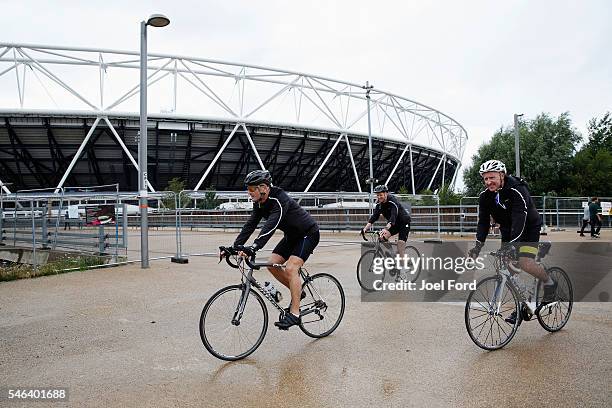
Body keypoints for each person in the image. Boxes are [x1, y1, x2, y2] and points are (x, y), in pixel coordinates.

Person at [224, 170, 320, 330]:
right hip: (292, 236)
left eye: (251, 189)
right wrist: (234, 247)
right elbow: (250, 224)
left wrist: (254, 247)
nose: (249, 193)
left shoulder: (279, 199)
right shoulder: (260, 203)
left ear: (264, 187)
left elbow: (271, 225)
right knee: (271, 264)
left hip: (308, 234)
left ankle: (295, 314)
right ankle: (298, 292)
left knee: (291, 268)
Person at [467, 160, 557, 323]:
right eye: (485, 179)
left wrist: (512, 246)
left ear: (502, 175)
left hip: (528, 227)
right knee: (508, 268)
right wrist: (477, 246)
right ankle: (523, 305)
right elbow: (483, 222)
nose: (488, 182)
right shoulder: (485, 196)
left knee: (525, 263)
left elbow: (519, 218)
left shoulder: (516, 189)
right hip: (509, 230)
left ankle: (550, 283)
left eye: (492, 177)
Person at [362, 184, 412, 280]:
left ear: (386, 193)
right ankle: (393, 256)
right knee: (382, 238)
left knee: (400, 243)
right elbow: (374, 217)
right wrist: (365, 228)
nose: (379, 197)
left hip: (403, 223)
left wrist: (385, 228)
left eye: (381, 194)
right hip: (393, 225)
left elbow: (393, 216)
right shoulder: (379, 204)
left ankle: (403, 270)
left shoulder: (392, 201)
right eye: (377, 195)